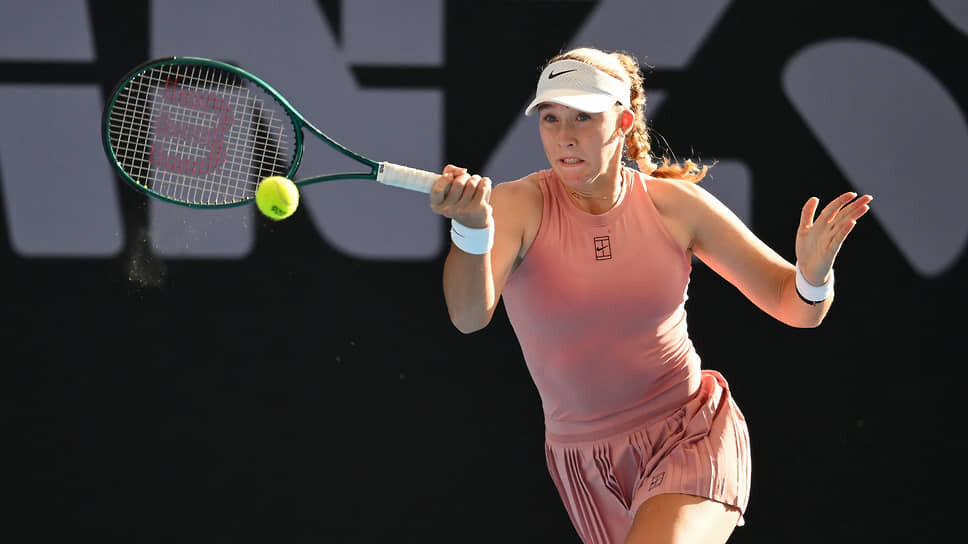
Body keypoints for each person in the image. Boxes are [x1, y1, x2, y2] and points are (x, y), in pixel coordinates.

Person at [429, 47, 872, 544]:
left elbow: (797, 308)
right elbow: (468, 316)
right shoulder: (514, 206)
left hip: (691, 434)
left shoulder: (675, 207)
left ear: (621, 122)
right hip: (585, 461)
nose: (565, 135)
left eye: (583, 117)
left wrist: (813, 275)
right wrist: (471, 231)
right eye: (550, 118)